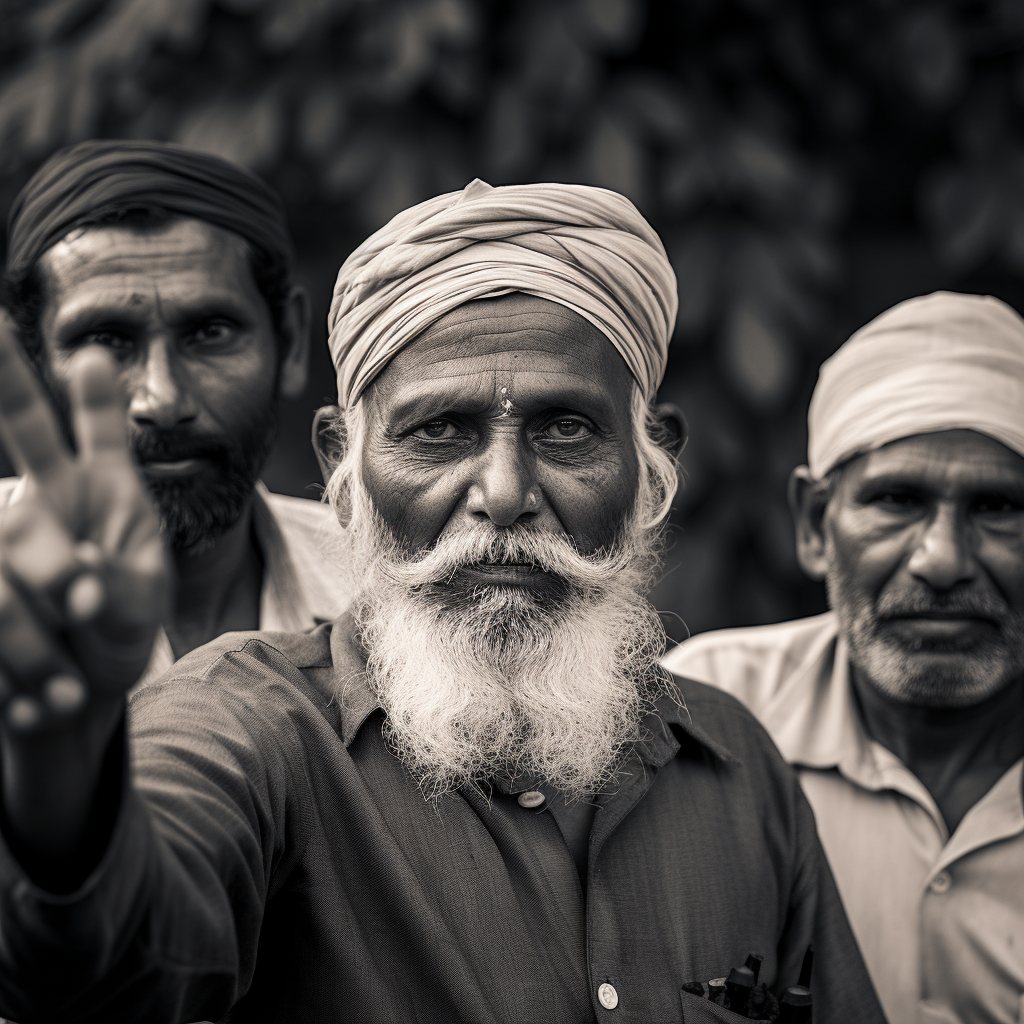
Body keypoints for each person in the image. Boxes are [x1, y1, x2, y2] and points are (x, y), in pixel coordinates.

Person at [0, 180, 885, 1023]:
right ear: (345, 472)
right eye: (439, 432)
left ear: (654, 462)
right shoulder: (251, 727)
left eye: (566, 428)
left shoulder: (736, 766)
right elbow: (119, 968)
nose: (504, 492)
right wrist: (72, 826)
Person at [664, 291, 1024, 1024]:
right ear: (815, 524)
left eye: (997, 507)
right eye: (896, 500)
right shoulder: (699, 722)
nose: (943, 561)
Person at [1, 140, 349, 679]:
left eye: (210, 333)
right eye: (104, 340)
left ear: (291, 343)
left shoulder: (388, 593)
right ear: (26, 361)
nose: (162, 401)